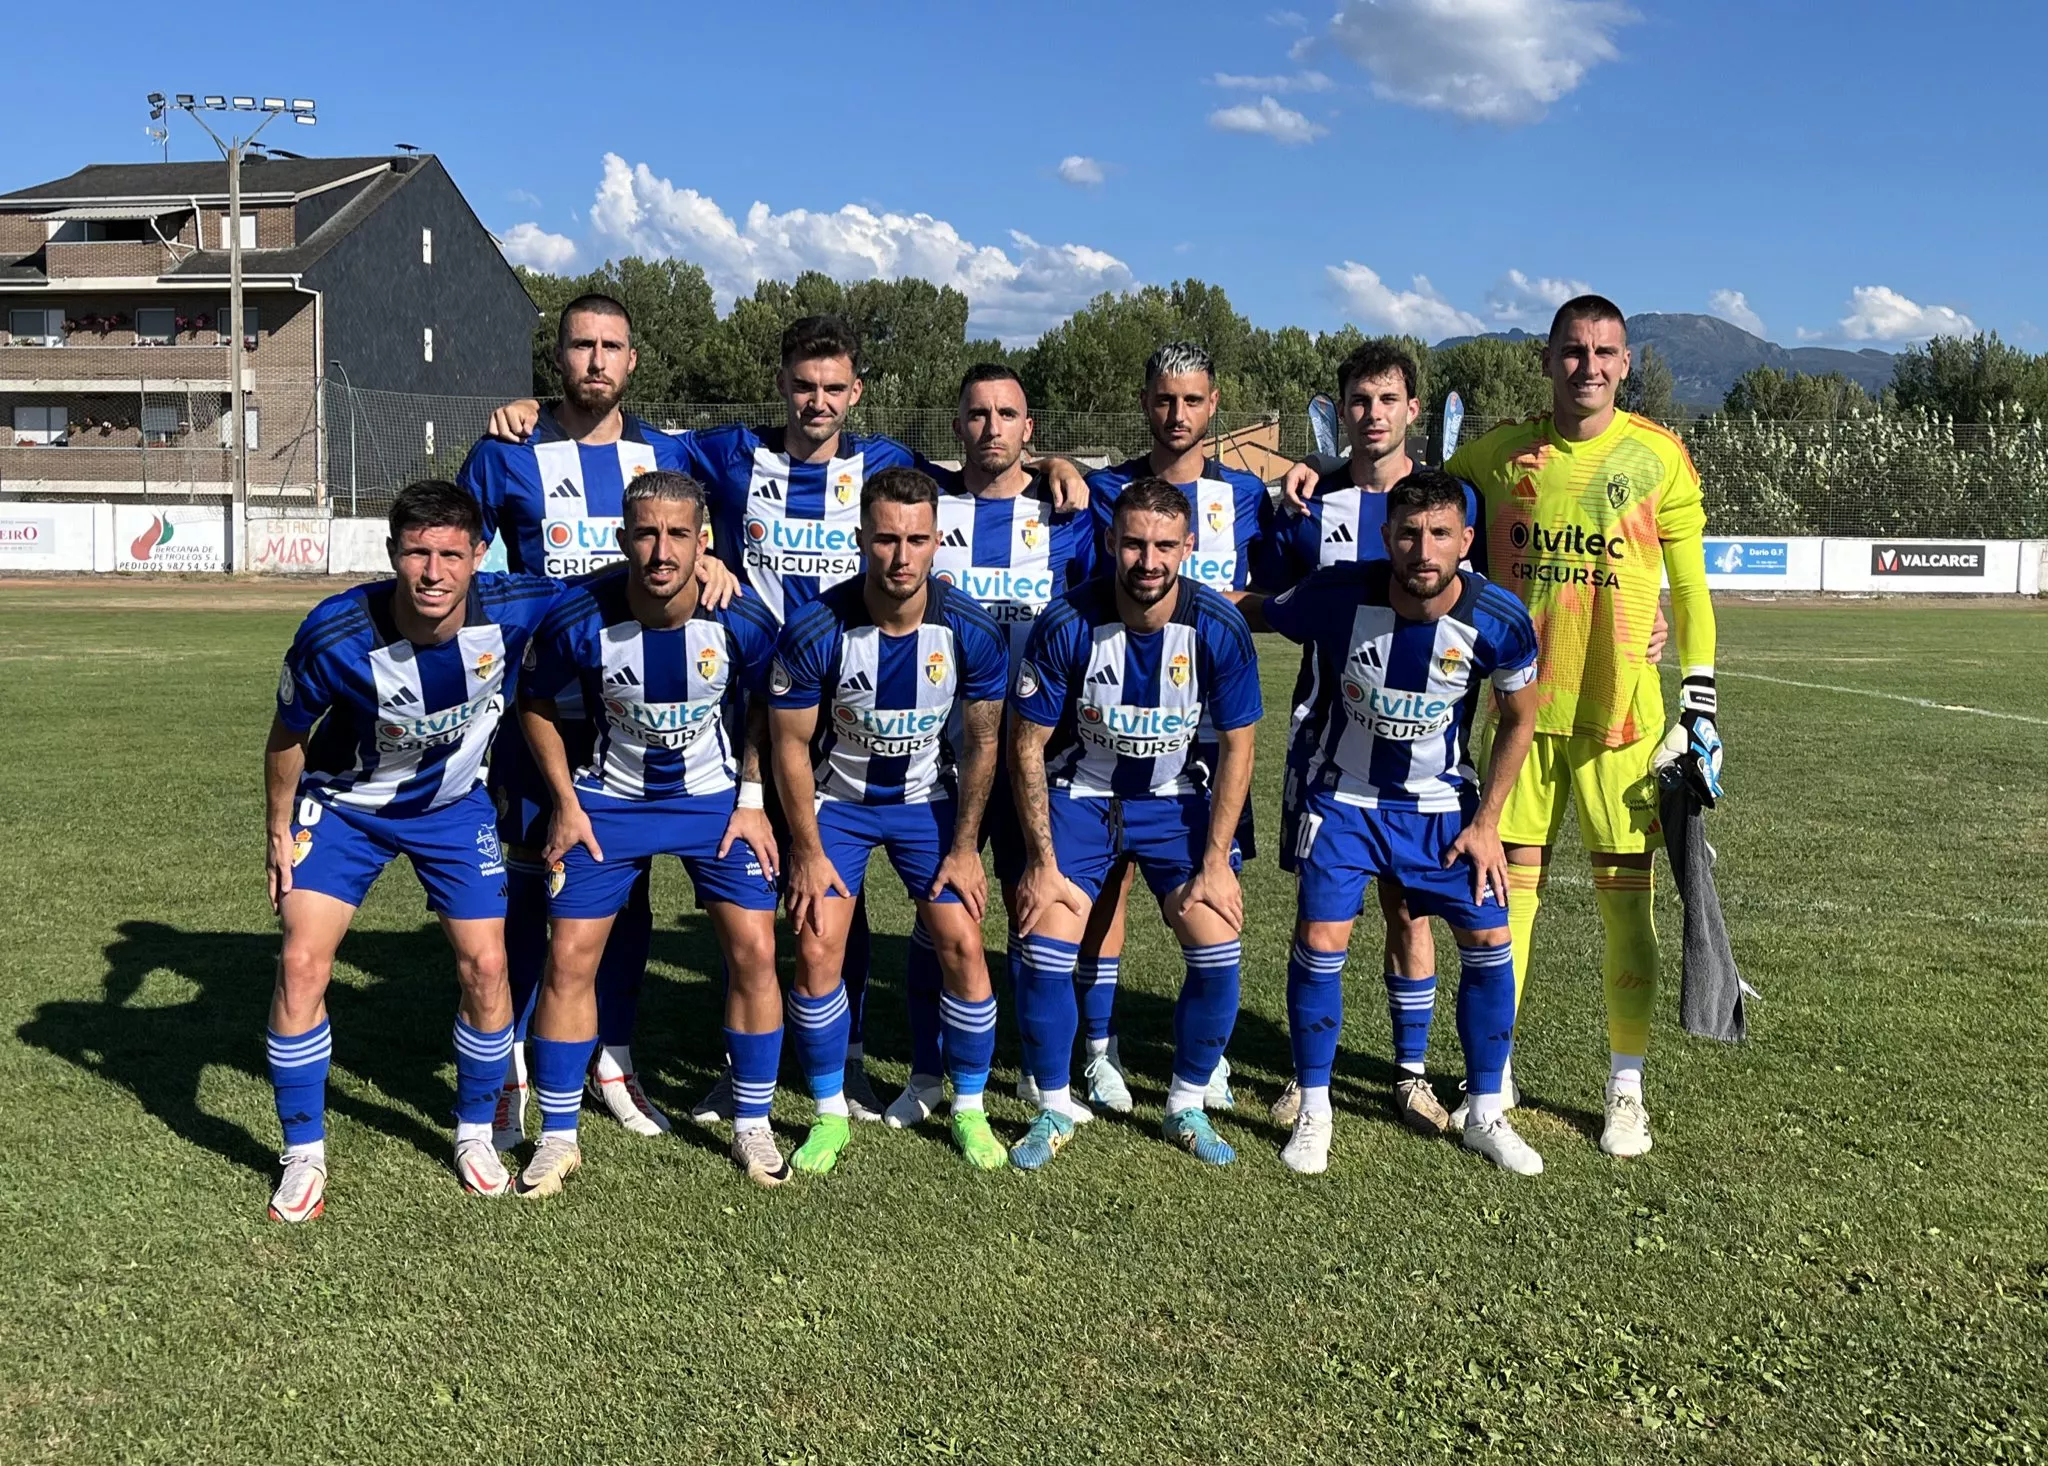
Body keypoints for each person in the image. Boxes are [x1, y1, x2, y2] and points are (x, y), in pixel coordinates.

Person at [486, 317, 1089, 1123]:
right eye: (804, 386)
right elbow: (637, 455)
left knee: (840, 901)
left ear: (857, 394)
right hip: (739, 711)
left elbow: (973, 470)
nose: (817, 402)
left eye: (833, 388)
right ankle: (738, 1075)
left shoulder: (885, 464)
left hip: (857, 714)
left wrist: (1056, 463)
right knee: (776, 901)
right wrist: (539, 413)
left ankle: (842, 1064)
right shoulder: (730, 453)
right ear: (782, 386)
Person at [1285, 296, 1721, 1156]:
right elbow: (1419, 493)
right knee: (1500, 908)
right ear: (1547, 359)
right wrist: (1318, 471)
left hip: (1620, 720)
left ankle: (1624, 1088)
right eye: (1571, 351)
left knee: (1626, 914)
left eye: (1604, 352)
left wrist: (1698, 696)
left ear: (1625, 363)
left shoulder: (1660, 456)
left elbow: (1692, 587)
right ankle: (1497, 1077)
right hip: (1521, 713)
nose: (1587, 366)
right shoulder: (1500, 453)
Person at [456, 292, 737, 1145]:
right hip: (540, 708)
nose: (597, 362)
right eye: (582, 346)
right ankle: (511, 1066)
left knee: (628, 885)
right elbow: (459, 552)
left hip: (641, 712)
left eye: (613, 346)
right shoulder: (508, 448)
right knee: (535, 884)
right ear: (559, 356)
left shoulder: (672, 452)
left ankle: (613, 1056)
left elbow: (737, 510)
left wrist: (717, 555)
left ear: (633, 361)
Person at [260, 480, 558, 1222]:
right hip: (344, 807)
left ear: (478, 556)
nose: (433, 571)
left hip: (453, 811)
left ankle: (472, 1131)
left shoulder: (516, 605)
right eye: (417, 553)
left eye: (450, 554)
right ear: (393, 553)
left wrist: (708, 563)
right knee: (301, 961)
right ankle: (303, 1153)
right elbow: (287, 738)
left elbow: (613, 590)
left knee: (487, 966)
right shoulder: (335, 634)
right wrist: (275, 828)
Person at [1238, 469, 1544, 1174]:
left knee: (1489, 937)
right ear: (1387, 538)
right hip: (1343, 797)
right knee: (1321, 937)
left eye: (1440, 533)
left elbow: (1521, 718)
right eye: (1409, 533)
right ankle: (1315, 1108)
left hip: (1442, 808)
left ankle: (1486, 1112)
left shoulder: (1497, 617)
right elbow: (1261, 608)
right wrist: (1175, 601)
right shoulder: (1337, 593)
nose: (1423, 549)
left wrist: (1489, 820)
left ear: (1466, 540)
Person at [511, 472, 788, 1194]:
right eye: (645, 533)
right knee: (569, 959)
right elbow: (534, 702)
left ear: (704, 541)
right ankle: (559, 1134)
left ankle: (752, 1122)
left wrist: (754, 798)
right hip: (609, 803)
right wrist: (566, 802)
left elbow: (765, 701)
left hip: (715, 802)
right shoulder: (580, 617)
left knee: (756, 949)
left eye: (677, 535)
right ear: (621, 537)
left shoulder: (742, 618)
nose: (661, 551)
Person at [1007, 478, 1262, 1171]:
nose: (1148, 561)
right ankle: (1055, 1104)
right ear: (1112, 543)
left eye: (1164, 546)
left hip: (1175, 799)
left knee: (1217, 948)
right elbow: (1027, 743)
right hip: (1081, 797)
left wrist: (1216, 860)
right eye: (1134, 544)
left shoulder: (1217, 624)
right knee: (1044, 945)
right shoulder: (1068, 622)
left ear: (1186, 548)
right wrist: (1040, 859)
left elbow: (1239, 744)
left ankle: (1185, 1102)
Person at [1054, 341, 1274, 1117]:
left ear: (1215, 405)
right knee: (1103, 887)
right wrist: (1055, 460)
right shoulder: (1103, 490)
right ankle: (1099, 1051)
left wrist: (1325, 473)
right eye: (1163, 399)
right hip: (1113, 717)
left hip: (1212, 732)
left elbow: (1278, 586)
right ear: (1145, 402)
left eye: (1192, 400)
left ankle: (1204, 1062)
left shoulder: (1251, 494)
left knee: (1213, 885)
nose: (1176, 415)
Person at [769, 466, 1011, 1172]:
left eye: (915, 540)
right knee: (816, 947)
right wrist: (807, 851)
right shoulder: (817, 627)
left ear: (939, 541)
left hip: (924, 805)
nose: (900, 557)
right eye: (884, 540)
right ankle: (828, 1113)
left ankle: (968, 1107)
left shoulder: (969, 628)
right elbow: (788, 745)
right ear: (860, 539)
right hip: (836, 807)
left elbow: (985, 741)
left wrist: (965, 846)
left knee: (963, 943)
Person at [1260, 340, 1470, 1135]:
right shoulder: (1313, 502)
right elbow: (1278, 596)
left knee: (1410, 912)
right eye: (1358, 400)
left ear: (1412, 410)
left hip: (1424, 748)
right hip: (1326, 745)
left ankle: (1409, 1075)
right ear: (1340, 410)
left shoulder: (1457, 500)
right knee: (1323, 914)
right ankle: (1306, 1080)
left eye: (1387, 400)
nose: (1373, 414)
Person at [881, 363, 1098, 1129]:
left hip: (1046, 753)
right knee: (941, 914)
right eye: (978, 413)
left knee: (1035, 908)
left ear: (1029, 430)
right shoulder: (923, 504)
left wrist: (1058, 468)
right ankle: (926, 1073)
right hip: (948, 754)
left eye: (1008, 414)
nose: (992, 427)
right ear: (957, 426)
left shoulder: (1072, 508)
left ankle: (1044, 1074)